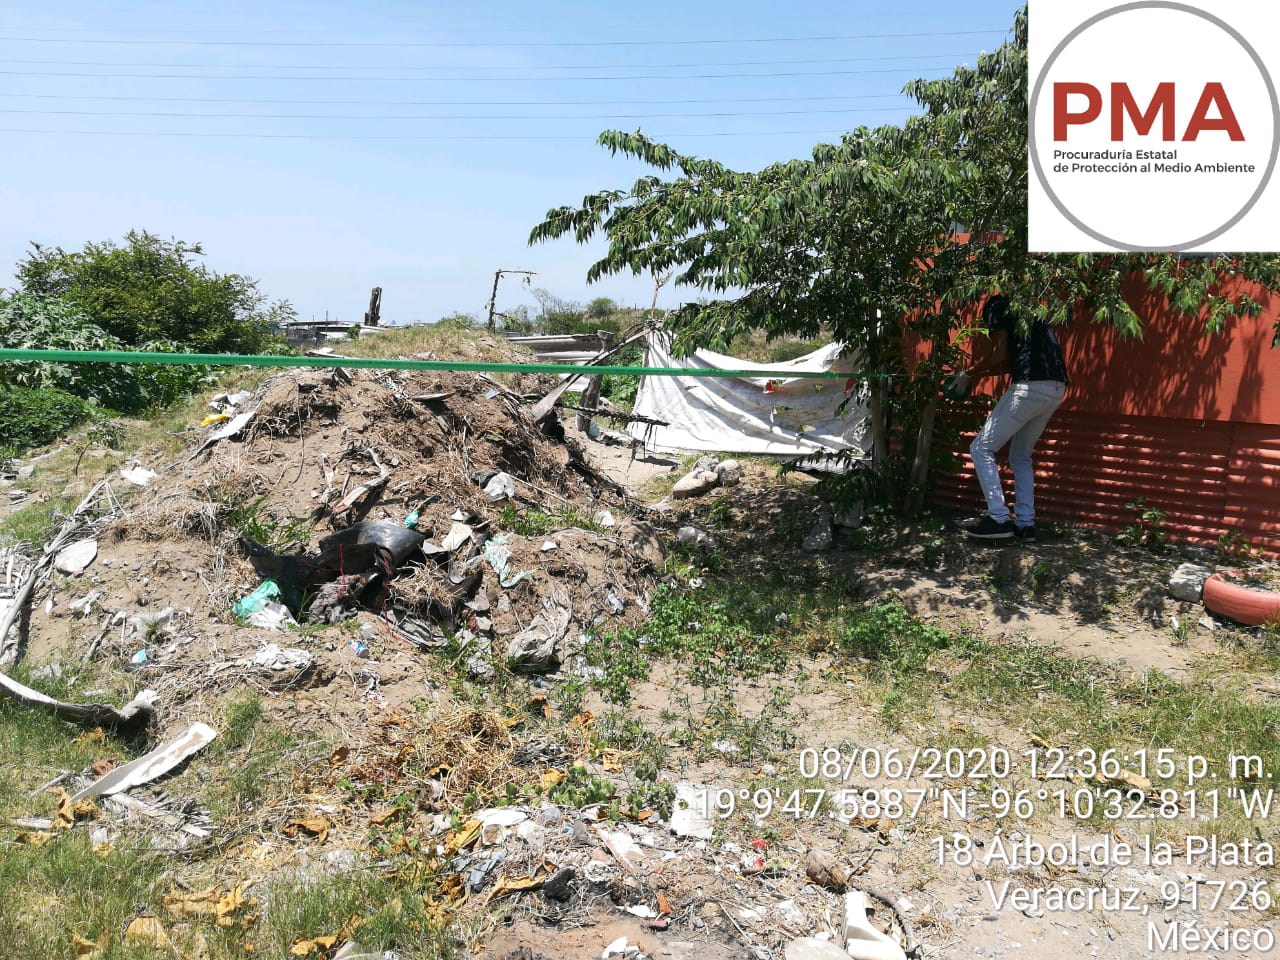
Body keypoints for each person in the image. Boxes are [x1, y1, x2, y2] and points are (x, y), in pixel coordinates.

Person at [962, 294, 1069, 542]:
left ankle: (998, 518)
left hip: (1030, 388)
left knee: (981, 447)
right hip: (1055, 389)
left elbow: (999, 356)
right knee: (1020, 456)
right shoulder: (1031, 316)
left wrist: (968, 372)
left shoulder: (997, 309)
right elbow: (1008, 364)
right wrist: (975, 375)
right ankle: (1025, 524)